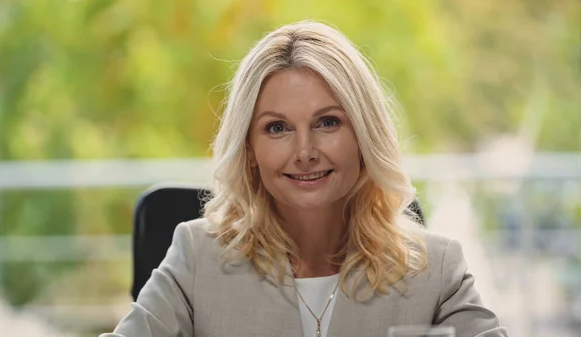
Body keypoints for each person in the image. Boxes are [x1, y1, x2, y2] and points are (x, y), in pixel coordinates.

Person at [101, 21, 508, 337]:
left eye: (327, 122)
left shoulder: (435, 269)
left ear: (364, 136)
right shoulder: (196, 257)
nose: (305, 151)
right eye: (277, 128)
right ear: (250, 151)